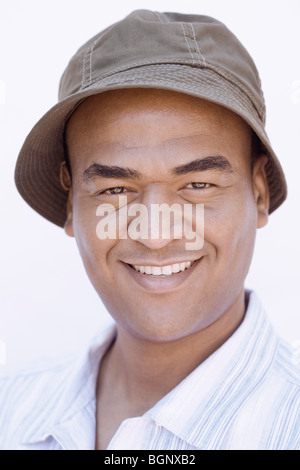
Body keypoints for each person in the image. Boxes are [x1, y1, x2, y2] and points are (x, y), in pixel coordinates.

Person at [0, 9, 299, 451]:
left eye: (197, 185)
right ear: (69, 204)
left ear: (257, 193)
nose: (156, 235)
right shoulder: (10, 410)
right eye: (117, 188)